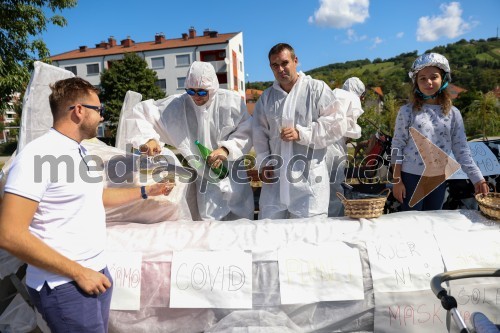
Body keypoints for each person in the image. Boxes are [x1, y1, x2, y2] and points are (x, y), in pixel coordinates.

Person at [0, 77, 174, 333]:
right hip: (65, 285)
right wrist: (79, 273)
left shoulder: (79, 152)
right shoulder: (37, 156)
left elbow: (96, 196)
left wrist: (147, 191)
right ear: (79, 110)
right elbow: (9, 234)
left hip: (94, 276)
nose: (102, 117)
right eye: (99, 110)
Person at [128, 61, 254, 221]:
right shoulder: (178, 105)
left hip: (235, 176)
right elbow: (141, 113)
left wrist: (226, 150)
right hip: (206, 181)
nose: (196, 97)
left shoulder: (231, 103)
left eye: (202, 92)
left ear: (213, 88)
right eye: (190, 91)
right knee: (211, 227)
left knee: (242, 224)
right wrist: (149, 139)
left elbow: (247, 130)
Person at [252, 43, 362, 219]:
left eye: (284, 63)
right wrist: (264, 162)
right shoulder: (267, 98)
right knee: (271, 235)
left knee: (309, 237)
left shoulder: (316, 89)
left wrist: (301, 134)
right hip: (276, 182)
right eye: (275, 65)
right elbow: (259, 133)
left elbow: (335, 124)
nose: (280, 69)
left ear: (295, 61)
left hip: (309, 182)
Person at [391, 53, 489, 211]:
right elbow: (397, 146)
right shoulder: (407, 111)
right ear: (416, 82)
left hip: (438, 178)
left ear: (443, 79)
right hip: (411, 178)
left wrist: (478, 178)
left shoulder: (453, 113)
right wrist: (397, 181)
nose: (428, 82)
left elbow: (461, 149)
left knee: (433, 222)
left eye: (433, 77)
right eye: (422, 78)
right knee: (411, 223)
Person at [327, 77, 365, 217]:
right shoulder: (353, 99)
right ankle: (334, 221)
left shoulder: (332, 93)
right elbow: (352, 132)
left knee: (320, 185)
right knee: (336, 186)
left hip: (318, 145)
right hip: (335, 147)